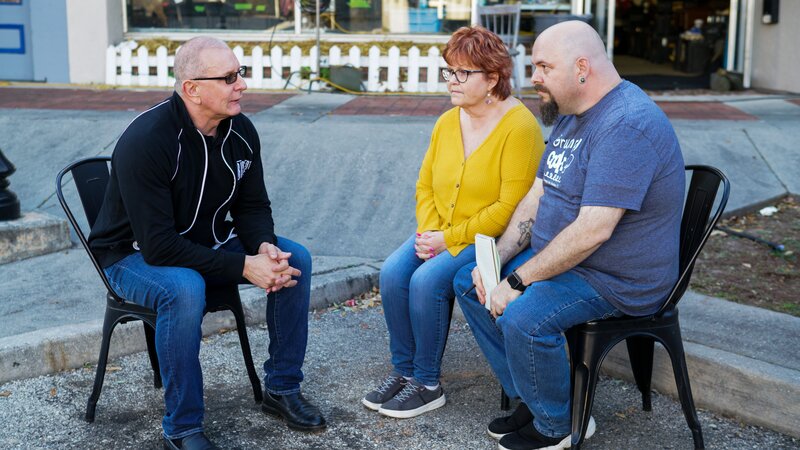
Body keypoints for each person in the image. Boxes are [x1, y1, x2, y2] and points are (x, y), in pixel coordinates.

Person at [453, 21, 686, 450]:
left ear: (582, 68)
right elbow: (538, 194)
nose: (533, 77)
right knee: (470, 283)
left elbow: (593, 230)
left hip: (616, 278)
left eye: (543, 66)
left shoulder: (627, 125)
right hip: (573, 261)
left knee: (524, 315)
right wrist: (498, 261)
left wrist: (518, 281)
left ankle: (558, 425)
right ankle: (535, 397)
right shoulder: (572, 114)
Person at [88, 37, 325, 450]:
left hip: (209, 240)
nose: (242, 86)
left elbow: (252, 207)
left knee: (294, 259)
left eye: (241, 74)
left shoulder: (242, 131)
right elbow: (159, 247)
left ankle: (281, 388)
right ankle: (181, 428)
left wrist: (264, 248)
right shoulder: (148, 140)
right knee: (184, 287)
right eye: (230, 77)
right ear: (192, 88)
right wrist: (243, 267)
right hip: (130, 255)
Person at [362, 26, 545, 419]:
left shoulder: (520, 127)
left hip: (486, 238)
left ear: (492, 78)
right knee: (394, 272)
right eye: (449, 71)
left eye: (463, 73)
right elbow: (424, 183)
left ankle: (427, 383)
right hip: (441, 233)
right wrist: (430, 233)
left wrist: (448, 239)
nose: (452, 81)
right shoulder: (448, 121)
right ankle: (404, 370)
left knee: (427, 281)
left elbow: (509, 208)